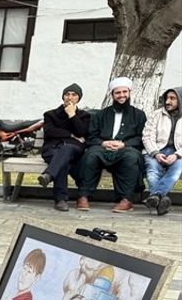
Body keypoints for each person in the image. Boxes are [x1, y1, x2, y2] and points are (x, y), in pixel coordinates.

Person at [75, 77, 147, 213]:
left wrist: (123, 144)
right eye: (118, 93)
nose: (122, 95)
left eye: (124, 92)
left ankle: (126, 200)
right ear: (112, 95)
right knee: (91, 155)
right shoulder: (100, 115)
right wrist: (103, 142)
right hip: (102, 148)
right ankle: (83, 196)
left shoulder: (139, 115)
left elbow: (141, 138)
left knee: (131, 157)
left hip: (125, 149)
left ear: (129, 93)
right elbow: (91, 137)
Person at [38, 83, 91, 212]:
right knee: (63, 161)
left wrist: (72, 115)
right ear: (63, 97)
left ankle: (49, 176)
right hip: (52, 149)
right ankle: (60, 200)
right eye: (67, 94)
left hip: (74, 151)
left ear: (79, 98)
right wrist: (71, 135)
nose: (70, 97)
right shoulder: (50, 114)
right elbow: (50, 131)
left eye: (74, 95)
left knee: (66, 151)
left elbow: (83, 131)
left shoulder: (84, 116)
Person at [142, 86, 181, 216]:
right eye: (167, 98)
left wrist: (177, 155)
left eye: (172, 98)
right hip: (156, 149)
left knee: (177, 170)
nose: (168, 101)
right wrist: (156, 153)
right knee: (152, 168)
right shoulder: (156, 114)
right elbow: (147, 136)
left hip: (178, 152)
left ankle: (155, 196)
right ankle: (161, 200)